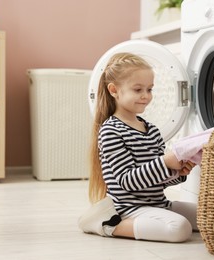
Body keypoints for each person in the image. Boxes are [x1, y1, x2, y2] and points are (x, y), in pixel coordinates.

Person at [78, 52, 198, 242]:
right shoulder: (111, 131)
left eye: (149, 89)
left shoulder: (152, 130)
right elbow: (128, 181)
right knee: (179, 228)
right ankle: (109, 225)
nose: (146, 96)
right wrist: (165, 162)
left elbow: (158, 180)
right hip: (129, 209)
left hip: (159, 204)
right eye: (138, 89)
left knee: (209, 213)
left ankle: (155, 219)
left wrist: (178, 172)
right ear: (114, 90)